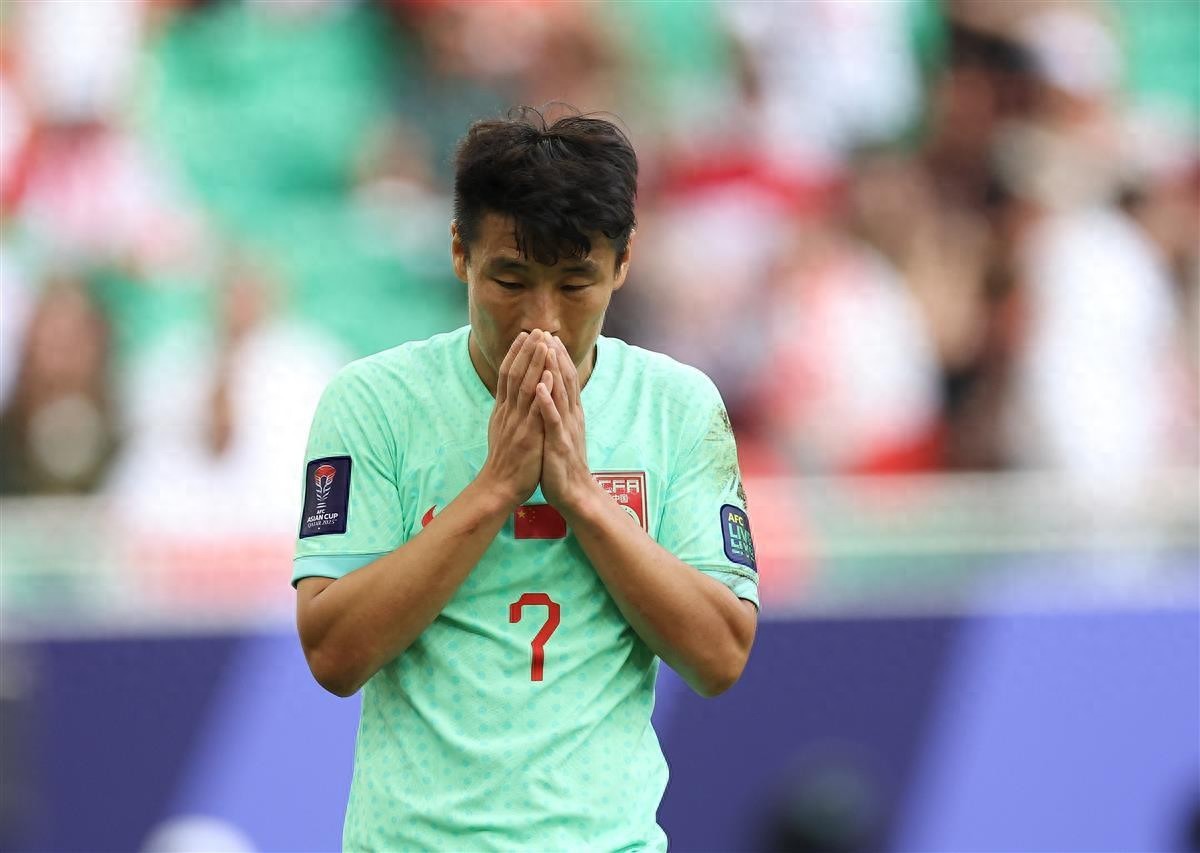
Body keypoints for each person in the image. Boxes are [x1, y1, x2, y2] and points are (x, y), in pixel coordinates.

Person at [292, 107, 759, 851]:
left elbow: (721, 655)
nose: (542, 321)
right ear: (459, 252)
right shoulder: (373, 403)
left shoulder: (677, 406)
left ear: (623, 263)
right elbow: (333, 653)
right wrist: (494, 489)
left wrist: (581, 497)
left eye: (575, 284)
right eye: (510, 279)